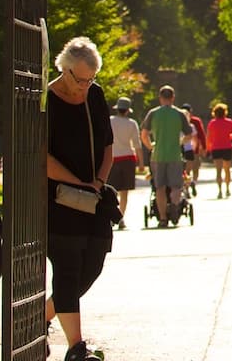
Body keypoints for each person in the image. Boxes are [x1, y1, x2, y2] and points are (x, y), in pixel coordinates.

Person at [42, 37, 120, 361]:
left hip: (94, 199)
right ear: (65, 68)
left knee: (94, 263)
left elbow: (107, 147)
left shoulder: (95, 95)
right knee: (68, 270)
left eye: (91, 79)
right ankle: (76, 349)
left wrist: (97, 182)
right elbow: (41, 156)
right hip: (59, 200)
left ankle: (39, 318)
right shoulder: (47, 99)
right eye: (80, 79)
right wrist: (76, 183)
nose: (85, 86)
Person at [141, 86, 193, 229]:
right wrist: (180, 142)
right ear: (173, 97)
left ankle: (163, 218)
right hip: (175, 155)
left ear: (160, 98)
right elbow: (189, 135)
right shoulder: (179, 114)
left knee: (160, 188)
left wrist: (151, 147)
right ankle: (175, 205)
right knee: (176, 186)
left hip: (157, 156)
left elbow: (144, 134)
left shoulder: (153, 113)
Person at [106, 98, 143, 228]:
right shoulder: (132, 123)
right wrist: (141, 162)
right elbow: (137, 144)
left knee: (111, 189)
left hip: (112, 158)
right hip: (128, 158)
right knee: (124, 192)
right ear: (127, 110)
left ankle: (111, 216)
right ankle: (120, 217)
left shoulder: (110, 121)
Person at [206, 103, 232, 199]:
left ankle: (220, 191)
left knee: (218, 171)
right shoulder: (230, 122)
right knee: (227, 170)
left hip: (216, 148)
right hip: (227, 147)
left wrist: (208, 147)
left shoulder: (212, 123)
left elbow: (208, 137)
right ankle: (227, 189)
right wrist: (229, 137)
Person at [180, 103, 207, 197]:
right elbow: (198, 136)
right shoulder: (192, 124)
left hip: (179, 149)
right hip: (190, 149)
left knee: (183, 170)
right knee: (190, 170)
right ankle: (192, 182)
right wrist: (197, 148)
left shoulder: (176, 124)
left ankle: (186, 187)